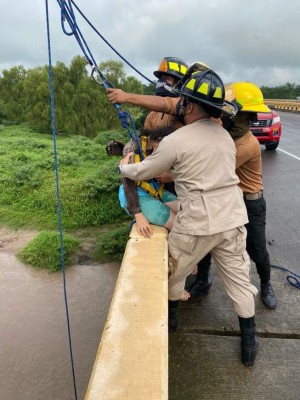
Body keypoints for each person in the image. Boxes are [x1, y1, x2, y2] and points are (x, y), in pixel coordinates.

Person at [116, 70, 259, 367]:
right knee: (239, 280)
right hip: (232, 217)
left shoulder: (176, 141)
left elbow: (146, 172)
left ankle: (171, 324)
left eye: (183, 100)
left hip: (198, 222)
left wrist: (125, 167)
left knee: (174, 274)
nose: (179, 104)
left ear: (190, 106)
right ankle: (249, 343)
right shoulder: (224, 135)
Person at [107, 60, 213, 295]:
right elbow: (131, 177)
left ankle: (197, 274)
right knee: (175, 226)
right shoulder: (149, 125)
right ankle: (177, 281)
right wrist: (138, 213)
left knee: (190, 222)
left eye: (169, 79)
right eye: (161, 78)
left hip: (177, 183)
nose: (163, 83)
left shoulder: (190, 110)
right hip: (150, 187)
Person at [187, 82, 277, 310]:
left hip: (249, 203)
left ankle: (266, 284)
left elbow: (217, 169)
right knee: (208, 241)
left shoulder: (247, 145)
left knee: (257, 249)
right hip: (228, 200)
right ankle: (203, 279)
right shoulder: (225, 138)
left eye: (244, 117)